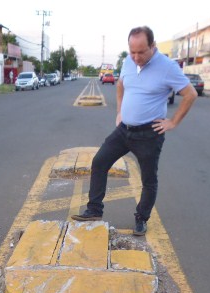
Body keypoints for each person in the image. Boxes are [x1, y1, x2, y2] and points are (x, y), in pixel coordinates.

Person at [71, 26, 197, 235]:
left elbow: (190, 94)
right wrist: (120, 111)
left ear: (153, 46)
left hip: (148, 134)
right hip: (123, 131)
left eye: (141, 52)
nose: (136, 57)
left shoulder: (168, 67)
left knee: (148, 179)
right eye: (132, 52)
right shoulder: (128, 62)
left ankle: (141, 218)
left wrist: (173, 122)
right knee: (99, 162)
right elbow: (121, 84)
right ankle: (94, 209)